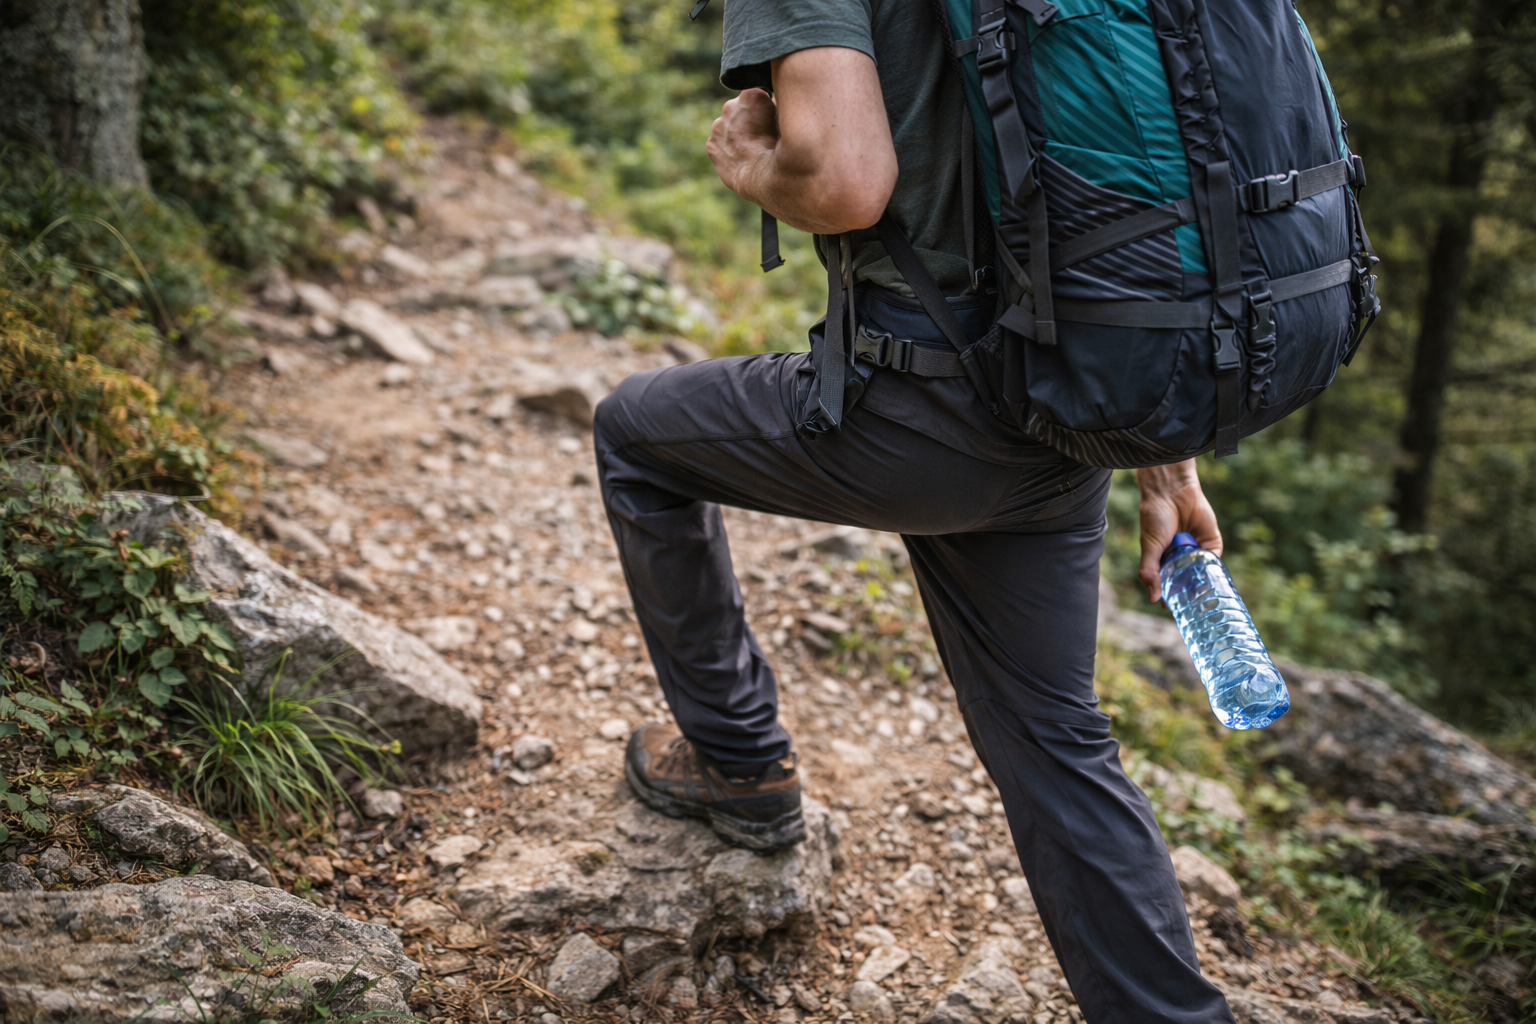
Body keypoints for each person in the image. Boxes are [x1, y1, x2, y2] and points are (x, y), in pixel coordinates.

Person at [594, 3, 1236, 1021]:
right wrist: (1163, 460)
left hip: (916, 408)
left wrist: (753, 163)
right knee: (1057, 740)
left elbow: (845, 179)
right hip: (1071, 408)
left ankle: (738, 764)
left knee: (634, 434)